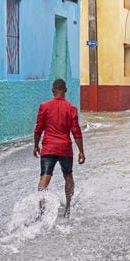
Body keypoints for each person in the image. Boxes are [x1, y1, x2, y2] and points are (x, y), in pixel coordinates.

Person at [33, 79, 85, 217]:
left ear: (52, 90)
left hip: (48, 148)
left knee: (44, 177)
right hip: (65, 148)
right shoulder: (71, 108)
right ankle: (68, 208)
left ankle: (41, 210)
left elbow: (38, 128)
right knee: (68, 176)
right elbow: (76, 131)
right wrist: (81, 151)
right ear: (65, 90)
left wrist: (35, 145)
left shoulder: (44, 106)